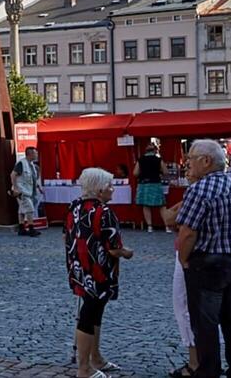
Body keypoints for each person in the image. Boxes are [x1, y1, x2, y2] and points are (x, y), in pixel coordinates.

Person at [176, 139, 231, 378]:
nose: (187, 163)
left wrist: (184, 259)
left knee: (205, 323)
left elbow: (188, 232)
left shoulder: (199, 190)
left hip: (207, 264)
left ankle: (208, 371)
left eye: (190, 159)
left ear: (206, 161)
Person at [65, 167, 133, 378]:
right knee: (90, 312)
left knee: (94, 310)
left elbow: (66, 236)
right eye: (110, 186)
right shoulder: (104, 212)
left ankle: (96, 357)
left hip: (79, 266)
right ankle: (84, 367)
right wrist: (127, 253)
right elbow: (114, 247)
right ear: (100, 190)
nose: (113, 189)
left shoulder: (74, 207)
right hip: (98, 270)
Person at [162, 158, 205, 377]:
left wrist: (184, 259)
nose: (186, 171)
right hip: (221, 259)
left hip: (190, 256)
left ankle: (195, 362)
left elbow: (170, 218)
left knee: (184, 307)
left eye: (189, 166)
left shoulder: (195, 193)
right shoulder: (230, 186)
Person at [135, 143, 169, 232]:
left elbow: (135, 173)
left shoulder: (141, 159)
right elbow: (165, 171)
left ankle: (150, 226)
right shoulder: (158, 159)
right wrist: (159, 172)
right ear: (155, 151)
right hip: (155, 183)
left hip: (144, 184)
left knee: (146, 205)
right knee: (161, 205)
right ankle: (167, 226)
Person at [10, 146, 42, 236]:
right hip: (22, 191)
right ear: (30, 154)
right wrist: (16, 188)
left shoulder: (31, 164)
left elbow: (33, 178)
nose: (37, 155)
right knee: (30, 209)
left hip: (28, 191)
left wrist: (38, 187)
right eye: (35, 153)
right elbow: (13, 175)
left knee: (21, 210)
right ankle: (31, 229)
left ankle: (21, 228)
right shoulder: (21, 163)